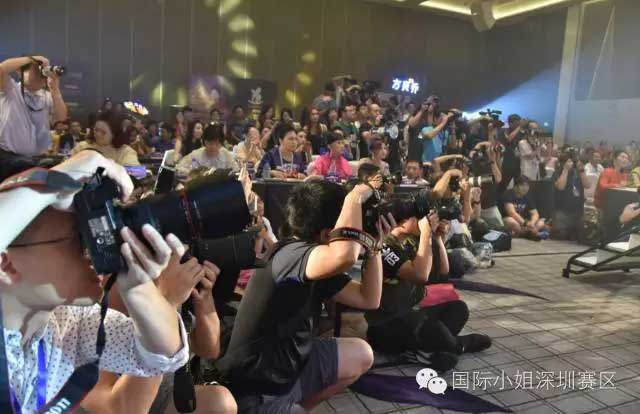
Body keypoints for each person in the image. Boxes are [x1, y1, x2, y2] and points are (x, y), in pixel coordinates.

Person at [0, 151, 189, 413]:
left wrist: (137, 287)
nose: (93, 245)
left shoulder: (67, 324)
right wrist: (49, 184)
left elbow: (164, 354)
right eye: (79, 237)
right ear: (5, 264)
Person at [218, 180, 391, 412]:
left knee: (362, 354)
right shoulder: (289, 254)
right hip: (259, 389)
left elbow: (368, 298)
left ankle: (299, 406)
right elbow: (344, 256)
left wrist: (374, 248)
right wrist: (355, 197)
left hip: (294, 366)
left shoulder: (315, 258)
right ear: (328, 233)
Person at [81, 254, 237, 414]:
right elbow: (119, 409)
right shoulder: (88, 305)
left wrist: (204, 297)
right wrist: (166, 304)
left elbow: (209, 350)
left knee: (219, 402)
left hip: (160, 393)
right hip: (121, 401)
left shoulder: (163, 285)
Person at [365, 210, 491, 360]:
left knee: (458, 308)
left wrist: (437, 238)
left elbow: (443, 273)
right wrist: (426, 233)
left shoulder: (410, 242)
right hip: (384, 326)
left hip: (410, 314)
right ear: (403, 221)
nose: (425, 220)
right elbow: (420, 275)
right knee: (429, 327)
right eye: (419, 217)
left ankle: (430, 346)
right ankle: (458, 345)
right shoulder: (384, 246)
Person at [0, 55, 68, 156]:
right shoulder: (10, 89)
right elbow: (2, 69)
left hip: (35, 158)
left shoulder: (46, 96)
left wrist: (55, 89)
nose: (41, 75)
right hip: (8, 156)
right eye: (36, 71)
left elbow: (61, 117)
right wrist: (32, 59)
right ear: (20, 73)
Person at [72, 111, 140, 166]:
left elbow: (137, 173)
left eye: (103, 132)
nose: (98, 134)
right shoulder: (82, 146)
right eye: (96, 130)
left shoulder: (125, 151)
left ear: (114, 134)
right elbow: (67, 165)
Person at [551, 149, 590, 241]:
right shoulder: (558, 172)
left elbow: (587, 185)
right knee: (561, 236)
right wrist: (565, 170)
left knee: (579, 237)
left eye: (573, 161)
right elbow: (560, 187)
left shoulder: (578, 172)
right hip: (562, 212)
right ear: (563, 163)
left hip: (577, 212)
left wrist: (582, 170)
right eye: (569, 161)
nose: (572, 163)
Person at [406, 95, 453, 164]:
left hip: (428, 154)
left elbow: (431, 129)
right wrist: (422, 110)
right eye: (429, 103)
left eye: (433, 103)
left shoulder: (436, 118)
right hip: (415, 150)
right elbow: (411, 124)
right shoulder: (418, 115)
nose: (431, 105)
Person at [470, 141, 504, 230]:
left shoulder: (494, 163)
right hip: (476, 206)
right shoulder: (476, 158)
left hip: (490, 207)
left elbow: (498, 178)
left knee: (500, 230)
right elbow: (471, 154)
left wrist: (492, 160)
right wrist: (479, 145)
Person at [498, 114, 524, 194]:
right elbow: (508, 139)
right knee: (503, 185)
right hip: (507, 163)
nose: (518, 125)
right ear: (510, 123)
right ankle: (500, 199)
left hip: (517, 163)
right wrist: (519, 127)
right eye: (516, 124)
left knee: (518, 185)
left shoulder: (521, 133)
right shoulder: (503, 131)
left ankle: (516, 199)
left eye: (519, 123)